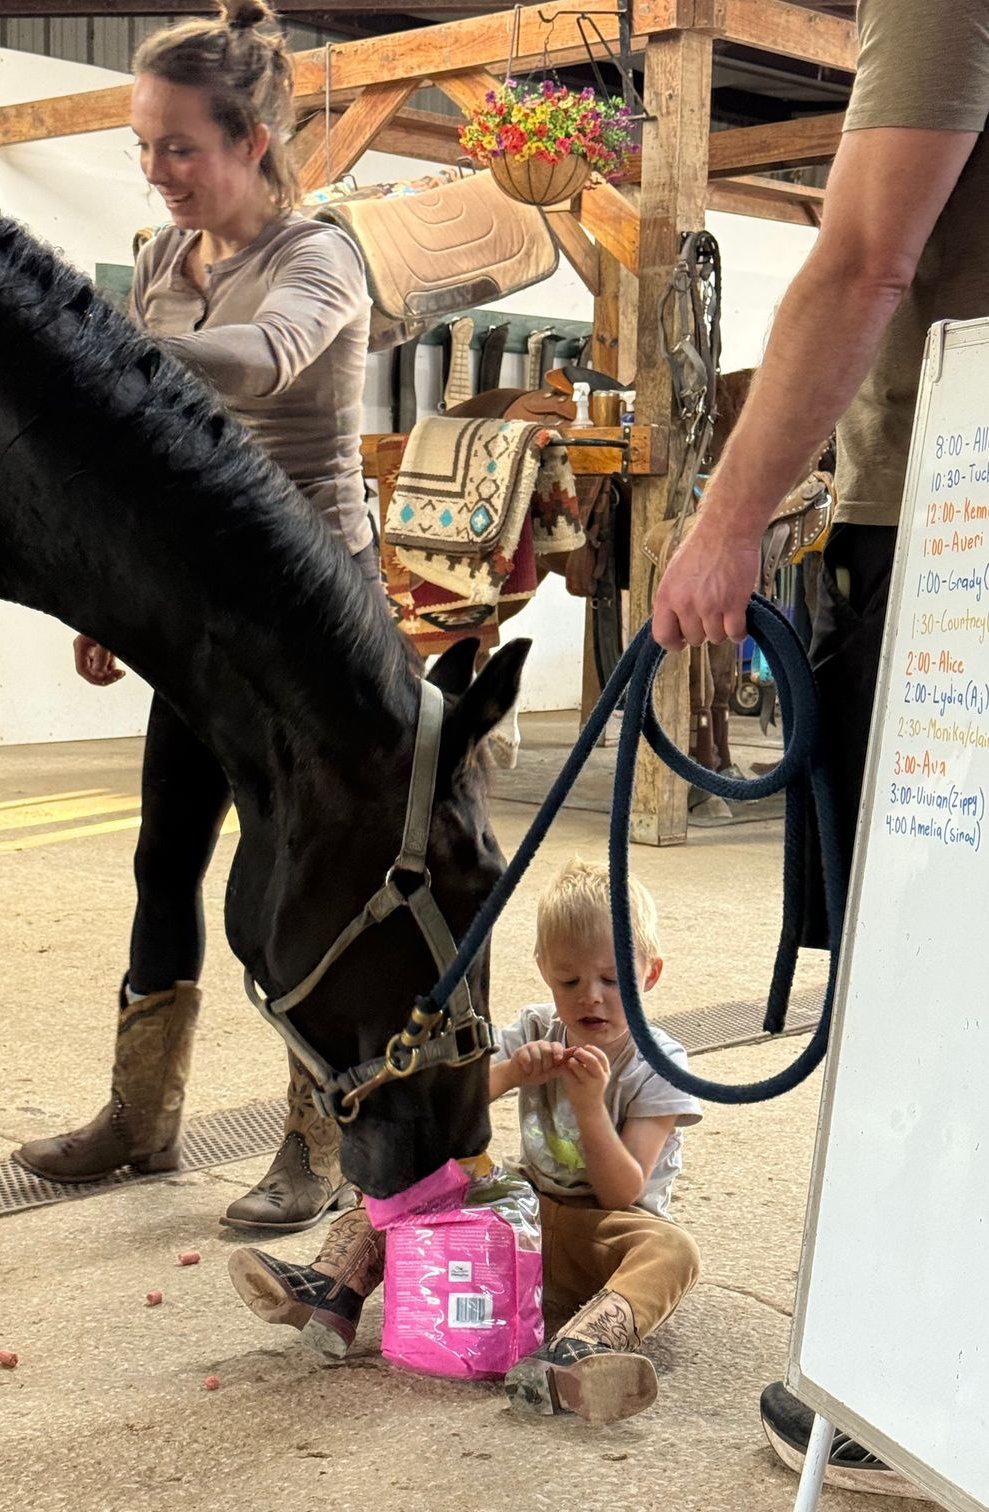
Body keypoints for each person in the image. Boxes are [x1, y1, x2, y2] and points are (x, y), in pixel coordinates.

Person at [651, 0, 989, 1492]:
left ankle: (905, 1371)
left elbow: (863, 254)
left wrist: (724, 523)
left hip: (948, 515)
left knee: (922, 971)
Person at [13, 0, 380, 1233]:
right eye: (144, 144)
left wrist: (90, 351)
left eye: (180, 145)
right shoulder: (167, 264)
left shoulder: (321, 257)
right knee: (166, 854)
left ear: (253, 140)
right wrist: (110, 591)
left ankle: (316, 1139)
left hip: (312, 609)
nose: (158, 169)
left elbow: (267, 359)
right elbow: (141, 452)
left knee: (299, 874)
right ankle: (140, 1115)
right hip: (199, 601)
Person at [228, 859, 702, 1426]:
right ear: (544, 970)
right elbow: (457, 1107)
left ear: (650, 974)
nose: (590, 998)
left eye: (612, 979)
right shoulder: (535, 1027)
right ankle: (332, 1288)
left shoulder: (660, 1064)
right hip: (523, 1216)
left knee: (674, 1251)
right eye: (569, 981)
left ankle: (579, 1351)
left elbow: (622, 1192)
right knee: (416, 1183)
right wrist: (511, 1073)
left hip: (604, 1237)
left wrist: (588, 1107)